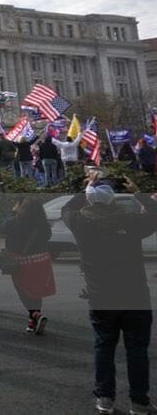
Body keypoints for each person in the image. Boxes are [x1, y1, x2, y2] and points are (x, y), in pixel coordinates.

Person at [63, 174, 157, 414]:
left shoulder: (82, 224)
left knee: (104, 348)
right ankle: (139, 401)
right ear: (113, 200)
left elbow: (67, 208)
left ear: (89, 201)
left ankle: (105, 397)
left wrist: (84, 188)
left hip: (101, 297)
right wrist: (138, 192)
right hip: (135, 296)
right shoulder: (130, 221)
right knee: (137, 351)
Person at [2, 197, 54, 334]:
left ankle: (35, 315)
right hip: (41, 261)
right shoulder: (43, 224)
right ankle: (33, 320)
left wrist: (13, 212)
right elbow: (47, 237)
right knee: (36, 291)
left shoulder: (15, 222)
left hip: (21, 262)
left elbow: (2, 226)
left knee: (23, 290)